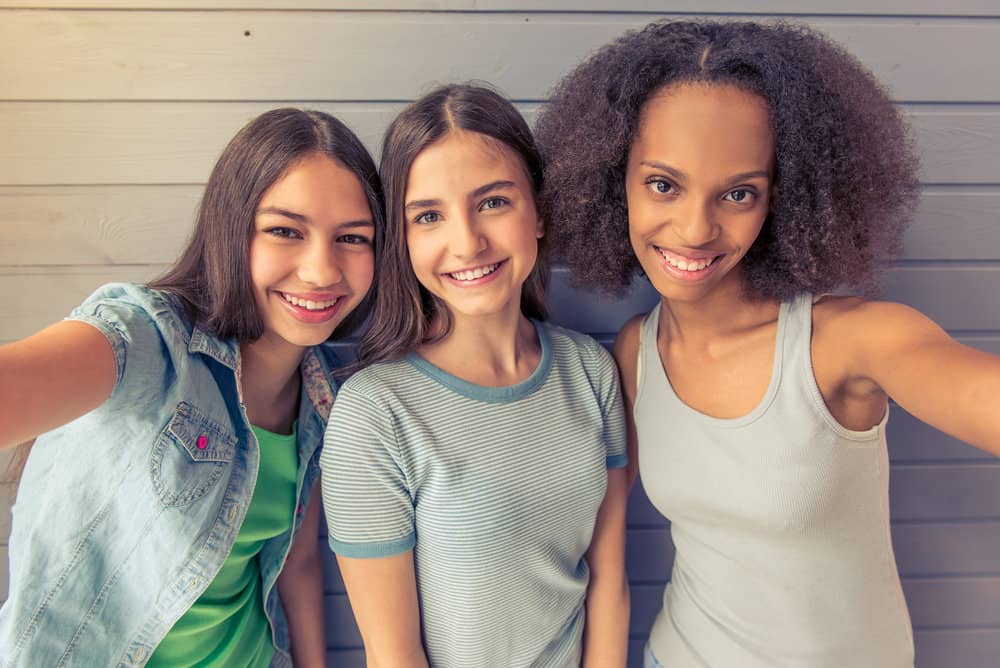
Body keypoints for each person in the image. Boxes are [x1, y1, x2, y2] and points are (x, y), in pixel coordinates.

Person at [535, 19, 1000, 668]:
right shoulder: (637, 352)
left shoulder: (850, 343)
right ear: (617, 182)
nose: (696, 229)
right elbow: (581, 541)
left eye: (738, 193)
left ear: (781, 198)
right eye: (663, 184)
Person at [0, 108, 384, 667]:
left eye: (352, 237)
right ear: (232, 231)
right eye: (285, 231)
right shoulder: (148, 340)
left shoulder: (325, 391)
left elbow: (297, 562)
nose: (323, 271)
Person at [320, 83, 630, 667]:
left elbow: (609, 584)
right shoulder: (374, 413)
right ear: (403, 241)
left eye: (493, 202)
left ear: (538, 212)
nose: (467, 242)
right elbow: (394, 656)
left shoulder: (591, 373)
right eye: (429, 216)